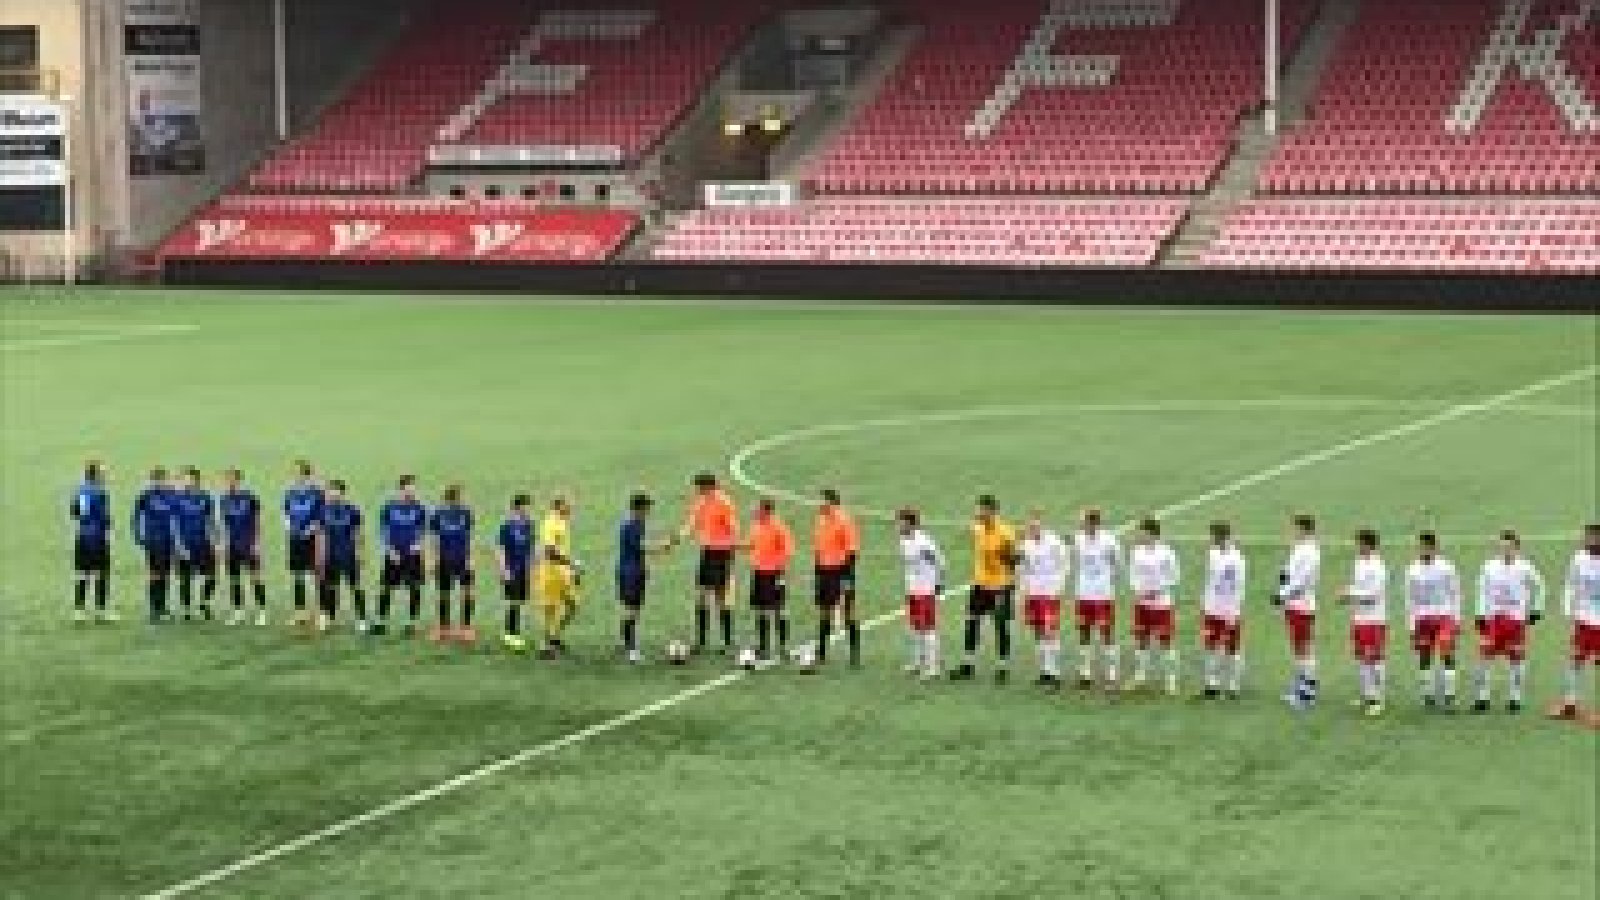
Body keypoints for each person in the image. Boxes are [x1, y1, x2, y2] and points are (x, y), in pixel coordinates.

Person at [1473, 530, 1546, 714]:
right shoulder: (1489, 566)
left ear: (1516, 547)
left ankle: (1515, 698)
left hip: (1516, 619)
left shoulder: (1526, 567)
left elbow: (1540, 586)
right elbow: (1481, 590)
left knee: (1516, 658)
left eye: (1509, 546)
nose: (1505, 550)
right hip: (1493, 619)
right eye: (1502, 546)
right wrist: (1480, 614)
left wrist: (1536, 610)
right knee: (1484, 657)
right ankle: (1482, 697)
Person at [950, 494, 1017, 683]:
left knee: (1001, 625)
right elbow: (970, 531)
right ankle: (968, 664)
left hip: (1001, 585)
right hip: (979, 584)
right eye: (978, 509)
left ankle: (1003, 666)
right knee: (972, 622)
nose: (978, 512)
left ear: (992, 511)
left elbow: (1014, 561)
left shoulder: (1006, 533)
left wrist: (1008, 564)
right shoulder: (977, 528)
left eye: (982, 509)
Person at [682, 472, 739, 654]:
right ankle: (701, 641)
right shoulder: (702, 502)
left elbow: (733, 529)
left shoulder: (724, 503)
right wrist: (678, 537)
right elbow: (692, 523)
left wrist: (730, 552)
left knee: (721, 597)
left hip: (722, 553)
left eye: (699, 487)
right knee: (701, 595)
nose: (697, 491)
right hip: (707, 552)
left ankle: (727, 642)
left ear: (708, 486)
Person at [1405, 532, 1463, 709]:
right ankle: (1427, 695)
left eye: (1426, 547)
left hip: (1444, 617)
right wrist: (1411, 624)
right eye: (1420, 546)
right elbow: (1410, 598)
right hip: (1422, 618)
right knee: (1424, 656)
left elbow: (1455, 593)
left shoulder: (1447, 568)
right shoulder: (1412, 569)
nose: (1423, 550)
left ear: (1434, 548)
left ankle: (1449, 696)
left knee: (1447, 653)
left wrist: (1457, 619)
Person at [617, 492, 673, 663]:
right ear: (640, 508)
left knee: (633, 610)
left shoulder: (638, 523)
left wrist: (645, 567)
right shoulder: (631, 526)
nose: (649, 510)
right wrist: (662, 547)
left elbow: (638, 550)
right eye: (647, 507)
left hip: (635, 570)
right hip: (630, 573)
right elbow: (640, 547)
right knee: (631, 610)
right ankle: (631, 649)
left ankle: (626, 641)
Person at [1552, 524, 1600, 723]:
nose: (1588, 541)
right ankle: (1570, 704)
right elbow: (1570, 584)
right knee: (1575, 660)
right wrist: (1568, 610)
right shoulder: (1578, 558)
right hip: (1583, 619)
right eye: (1587, 537)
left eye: (1592, 537)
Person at [1072, 507, 1122, 690]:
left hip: (1103, 594)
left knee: (1106, 632)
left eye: (1084, 521)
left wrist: (1108, 583)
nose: (1081, 524)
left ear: (1093, 523)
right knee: (1084, 631)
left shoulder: (1109, 540)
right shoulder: (1078, 539)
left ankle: (1112, 675)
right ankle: (1085, 674)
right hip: (1083, 593)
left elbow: (1118, 564)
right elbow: (1076, 561)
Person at [1275, 514, 1322, 709]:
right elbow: (1289, 572)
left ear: (1304, 529)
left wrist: (1282, 595)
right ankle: (1303, 686)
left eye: (1296, 528)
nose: (1293, 531)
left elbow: (1302, 581)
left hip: (1301, 605)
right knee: (1299, 648)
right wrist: (1283, 578)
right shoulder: (1300, 548)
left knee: (1303, 648)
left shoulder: (1309, 552)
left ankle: (1307, 693)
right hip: (1295, 604)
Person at [1340, 529, 1389, 717]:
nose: (1357, 547)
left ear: (1368, 545)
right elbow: (1358, 587)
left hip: (1374, 619)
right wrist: (1348, 592)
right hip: (1359, 618)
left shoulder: (1379, 567)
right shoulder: (1358, 563)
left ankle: (1378, 699)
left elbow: (1373, 595)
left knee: (1374, 659)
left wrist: (1349, 595)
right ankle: (1367, 695)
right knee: (1361, 658)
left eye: (1360, 543)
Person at [1017, 511, 1069, 687]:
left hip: (1049, 592)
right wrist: (1022, 590)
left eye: (1036, 526)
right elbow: (1021, 568)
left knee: (1050, 630)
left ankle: (1055, 672)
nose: (1033, 530)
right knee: (1037, 630)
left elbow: (1064, 564)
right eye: (1030, 527)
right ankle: (1044, 671)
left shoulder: (1054, 542)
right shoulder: (1025, 545)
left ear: (1042, 526)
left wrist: (1059, 586)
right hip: (1032, 593)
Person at [812, 489, 862, 667]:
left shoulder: (844, 521)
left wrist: (847, 577)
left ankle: (854, 654)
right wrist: (817, 570)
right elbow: (818, 548)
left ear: (831, 502)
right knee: (824, 612)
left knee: (848, 612)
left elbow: (852, 551)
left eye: (822, 501)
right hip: (824, 572)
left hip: (841, 572)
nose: (819, 504)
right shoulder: (821, 520)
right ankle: (822, 653)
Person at [374, 475, 427, 636]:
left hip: (412, 554)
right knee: (387, 588)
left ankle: (412, 623)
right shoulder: (388, 507)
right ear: (401, 489)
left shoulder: (420, 508)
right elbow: (383, 530)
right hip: (393, 553)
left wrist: (418, 544)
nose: (412, 492)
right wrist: (390, 550)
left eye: (414, 488)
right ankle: (381, 622)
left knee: (414, 587)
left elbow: (423, 529)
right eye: (409, 489)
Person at [1199, 521, 1246, 699]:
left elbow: (1238, 586)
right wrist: (1205, 604)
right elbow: (1210, 581)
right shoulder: (1212, 554)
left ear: (1220, 537)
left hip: (1229, 609)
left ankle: (1233, 685)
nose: (1210, 539)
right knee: (1210, 645)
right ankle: (1212, 684)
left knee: (1232, 648)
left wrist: (1234, 610)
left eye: (1212, 535)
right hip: (1212, 608)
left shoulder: (1237, 559)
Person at [897, 508, 944, 679]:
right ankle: (917, 662)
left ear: (910, 523)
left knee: (928, 627)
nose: (898, 525)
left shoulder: (924, 542)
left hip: (926, 589)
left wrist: (937, 583)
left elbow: (939, 562)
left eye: (901, 522)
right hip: (912, 589)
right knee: (915, 626)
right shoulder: (903, 541)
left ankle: (933, 667)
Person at [747, 497, 795, 665]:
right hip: (759, 572)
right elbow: (752, 545)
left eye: (757, 509)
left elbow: (788, 551)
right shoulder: (756, 526)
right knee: (761, 609)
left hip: (774, 573)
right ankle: (763, 647)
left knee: (779, 609)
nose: (754, 511)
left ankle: (783, 647)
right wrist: (736, 546)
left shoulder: (779, 527)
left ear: (766, 511)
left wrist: (779, 572)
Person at [220, 469, 268, 626]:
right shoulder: (224, 499)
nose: (229, 483)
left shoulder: (250, 497)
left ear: (239, 480)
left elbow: (258, 520)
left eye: (231, 480)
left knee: (255, 578)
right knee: (234, 579)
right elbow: (225, 523)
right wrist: (224, 543)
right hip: (232, 544)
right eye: (226, 480)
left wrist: (257, 543)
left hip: (249, 544)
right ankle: (238, 612)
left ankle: (261, 612)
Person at [429, 484, 476, 643]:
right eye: (458, 498)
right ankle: (443, 627)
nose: (460, 500)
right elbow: (434, 538)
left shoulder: (466, 513)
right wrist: (435, 559)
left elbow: (470, 536)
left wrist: (470, 558)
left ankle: (466, 628)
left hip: (462, 558)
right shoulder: (438, 514)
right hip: (444, 559)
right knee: (444, 593)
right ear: (449, 499)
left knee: (467, 592)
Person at [131, 466, 179, 622]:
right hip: (152, 540)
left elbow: (178, 515)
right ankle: (154, 608)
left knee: (166, 573)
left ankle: (163, 607)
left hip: (168, 540)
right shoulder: (146, 495)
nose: (160, 482)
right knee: (154, 574)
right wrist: (138, 535)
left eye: (162, 480)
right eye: (157, 480)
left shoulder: (172, 494)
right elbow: (136, 515)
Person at [317, 479, 365, 633]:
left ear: (342, 493)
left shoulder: (353, 510)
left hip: (349, 555)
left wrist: (360, 554)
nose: (332, 494)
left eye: (335, 491)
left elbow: (358, 534)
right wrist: (320, 557)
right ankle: (330, 618)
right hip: (330, 556)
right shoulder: (323, 511)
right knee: (330, 587)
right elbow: (321, 535)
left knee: (355, 587)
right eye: (330, 491)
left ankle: (361, 619)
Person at [172, 466, 219, 621]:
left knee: (210, 576)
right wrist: (178, 544)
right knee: (186, 578)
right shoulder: (177, 498)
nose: (187, 482)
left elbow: (212, 520)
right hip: (185, 543)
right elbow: (173, 522)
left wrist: (215, 541)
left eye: (190, 479)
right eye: (185, 479)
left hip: (204, 543)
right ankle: (186, 608)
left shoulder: (206, 497)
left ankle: (204, 603)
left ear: (197, 480)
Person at [537, 495, 581, 659]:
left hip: (563, 573)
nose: (570, 507)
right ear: (558, 506)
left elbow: (561, 550)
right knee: (550, 611)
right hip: (551, 574)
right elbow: (550, 552)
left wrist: (571, 571)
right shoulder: (550, 524)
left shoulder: (562, 521)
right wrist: (572, 563)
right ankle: (545, 647)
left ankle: (554, 637)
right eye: (567, 505)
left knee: (573, 606)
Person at [69, 461, 113, 623]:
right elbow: (104, 516)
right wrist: (107, 525)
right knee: (101, 574)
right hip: (98, 537)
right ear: (96, 475)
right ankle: (101, 611)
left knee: (83, 574)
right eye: (102, 472)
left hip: (82, 536)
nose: (105, 475)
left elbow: (74, 512)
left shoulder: (80, 491)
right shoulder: (101, 492)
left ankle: (79, 610)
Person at [283, 460, 325, 627]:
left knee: (317, 575)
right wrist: (288, 525)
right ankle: (300, 612)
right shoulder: (290, 492)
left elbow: (322, 515)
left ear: (306, 474)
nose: (295, 476)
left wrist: (311, 529)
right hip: (295, 538)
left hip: (313, 538)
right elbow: (286, 512)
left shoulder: (317, 493)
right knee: (297, 575)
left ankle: (321, 612)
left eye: (298, 473)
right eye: (294, 473)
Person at [499, 494, 536, 653]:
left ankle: (515, 632)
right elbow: (501, 549)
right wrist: (504, 570)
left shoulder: (529, 524)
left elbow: (531, 547)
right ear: (518, 507)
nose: (528, 509)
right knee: (512, 601)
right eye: (526, 506)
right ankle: (510, 634)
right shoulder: (506, 526)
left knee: (520, 600)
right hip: (512, 569)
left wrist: (532, 566)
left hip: (524, 569)